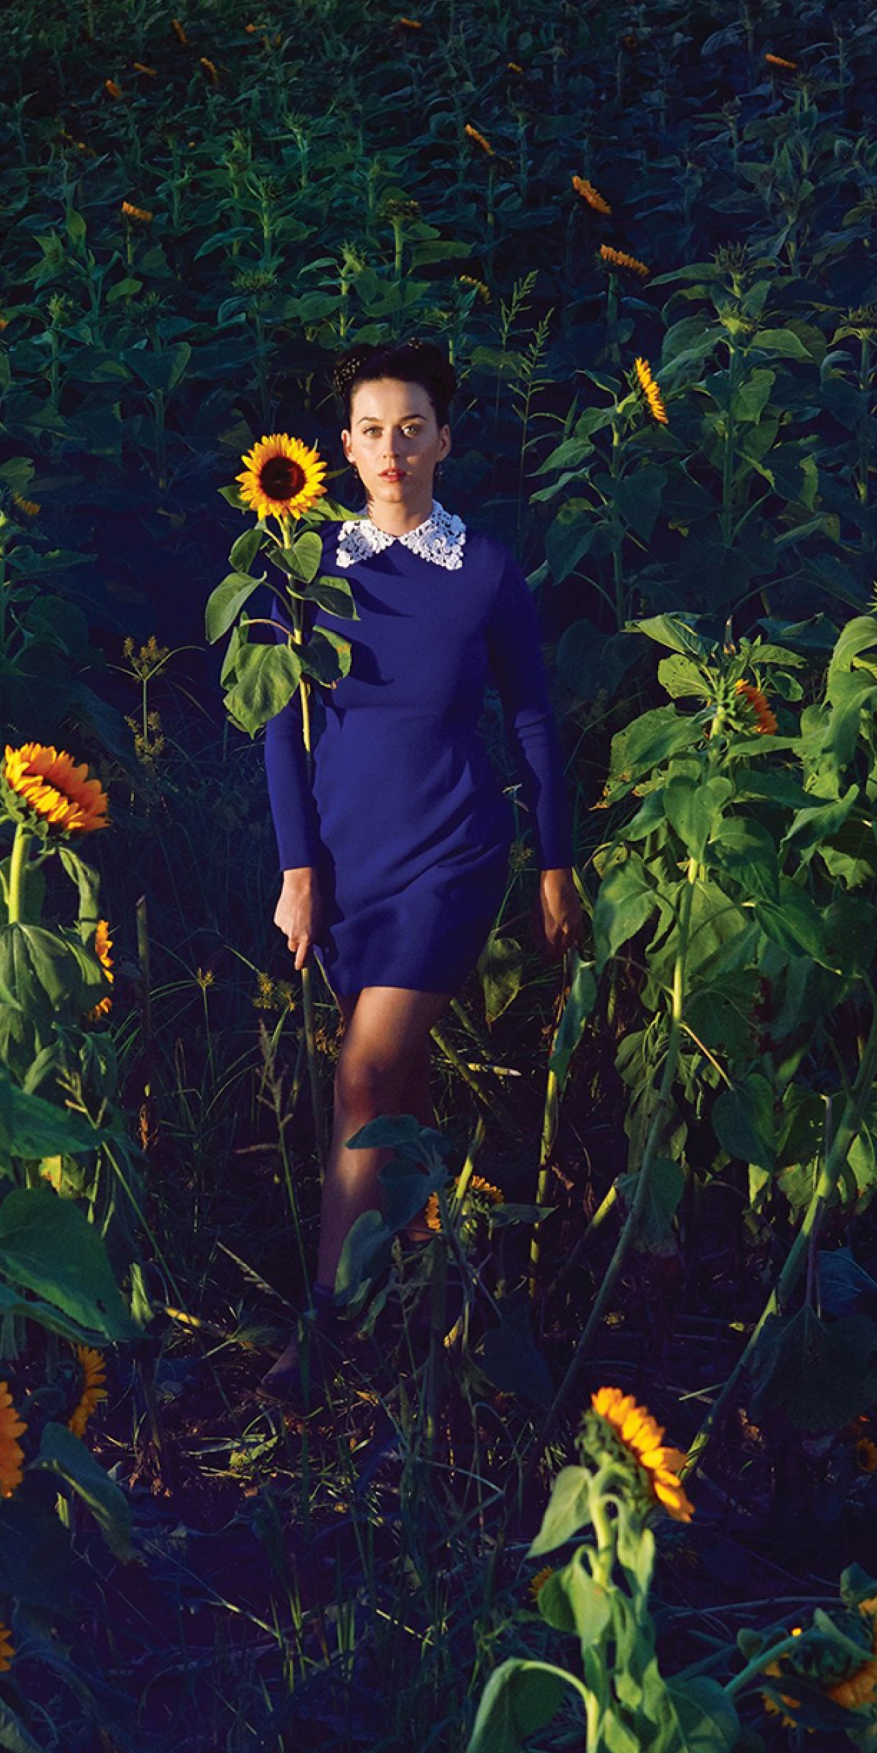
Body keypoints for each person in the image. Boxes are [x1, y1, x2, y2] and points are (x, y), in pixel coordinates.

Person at [257, 337, 585, 1401]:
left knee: (358, 1075)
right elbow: (275, 728)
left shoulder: (483, 568)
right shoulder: (301, 566)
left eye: (411, 427)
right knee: (396, 1094)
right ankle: (442, 1310)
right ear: (341, 448)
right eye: (369, 429)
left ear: (443, 438)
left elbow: (530, 714)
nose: (390, 448)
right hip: (347, 864)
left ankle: (325, 1331)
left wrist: (553, 859)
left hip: (450, 853)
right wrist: (297, 869)